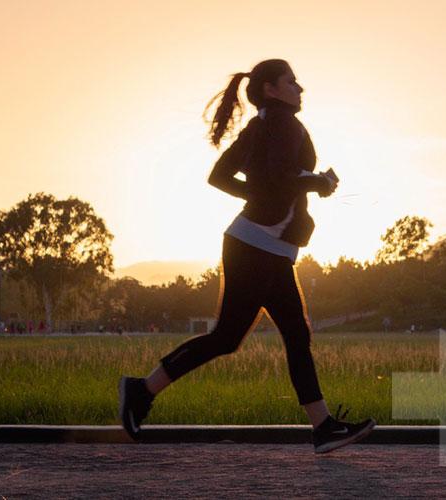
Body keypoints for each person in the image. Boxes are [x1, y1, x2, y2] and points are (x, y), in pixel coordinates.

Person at [118, 59, 375, 454]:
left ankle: (323, 427)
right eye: (292, 81)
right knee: (231, 337)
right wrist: (319, 182)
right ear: (271, 89)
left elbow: (221, 176)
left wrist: (263, 196)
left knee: (291, 334)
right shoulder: (281, 125)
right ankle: (141, 390)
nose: (300, 88)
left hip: (262, 245)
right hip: (256, 246)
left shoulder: (261, 126)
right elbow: (278, 178)